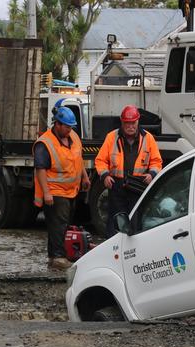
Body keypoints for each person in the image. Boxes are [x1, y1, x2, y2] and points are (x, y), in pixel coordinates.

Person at [33, 106, 90, 270]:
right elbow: (40, 169)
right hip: (55, 191)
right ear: (57, 124)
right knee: (58, 224)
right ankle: (58, 257)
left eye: (71, 127)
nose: (69, 130)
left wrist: (84, 177)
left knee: (62, 224)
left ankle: (53, 257)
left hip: (71, 190)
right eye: (66, 126)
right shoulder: (45, 143)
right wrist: (46, 193)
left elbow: (78, 159)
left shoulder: (73, 137)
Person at [95, 105, 162, 237]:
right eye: (127, 123)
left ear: (138, 122)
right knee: (115, 223)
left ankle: (133, 253)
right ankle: (113, 251)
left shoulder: (148, 138)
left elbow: (156, 161)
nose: (130, 126)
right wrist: (105, 176)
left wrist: (152, 174)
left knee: (135, 223)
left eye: (133, 123)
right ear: (122, 122)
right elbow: (101, 160)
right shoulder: (111, 137)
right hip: (116, 186)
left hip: (138, 186)